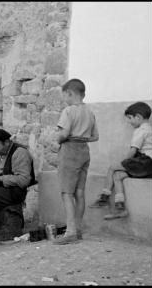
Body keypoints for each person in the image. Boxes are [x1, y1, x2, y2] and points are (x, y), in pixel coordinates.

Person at [52, 78, 99, 245]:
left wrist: (57, 139)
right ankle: (78, 229)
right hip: (84, 150)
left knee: (67, 193)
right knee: (79, 192)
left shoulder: (68, 111)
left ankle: (70, 231)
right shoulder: (89, 112)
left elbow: (63, 134)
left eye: (64, 95)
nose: (65, 99)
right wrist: (81, 136)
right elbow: (95, 137)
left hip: (70, 150)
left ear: (69, 93)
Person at [89, 102, 152, 219]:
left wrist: (123, 162)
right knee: (118, 175)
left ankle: (104, 197)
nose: (128, 122)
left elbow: (133, 150)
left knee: (113, 167)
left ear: (138, 117)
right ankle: (121, 208)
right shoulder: (150, 129)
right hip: (149, 167)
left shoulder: (140, 130)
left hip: (145, 162)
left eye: (129, 118)